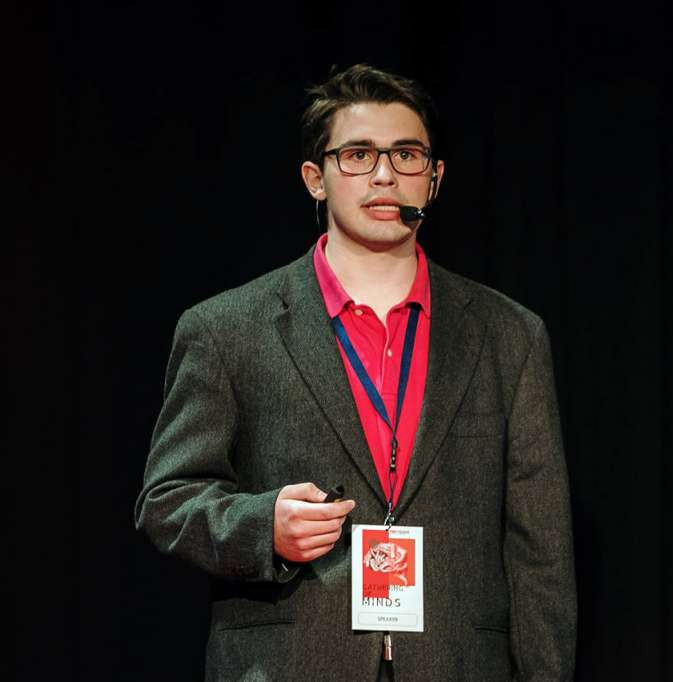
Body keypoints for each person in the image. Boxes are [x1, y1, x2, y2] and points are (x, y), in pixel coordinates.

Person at [135, 64, 576, 681]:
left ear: (435, 177)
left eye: (407, 155)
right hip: (290, 663)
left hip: (458, 663)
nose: (385, 174)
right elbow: (167, 501)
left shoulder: (508, 335)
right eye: (358, 155)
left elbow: (541, 552)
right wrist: (265, 529)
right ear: (315, 178)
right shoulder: (226, 327)